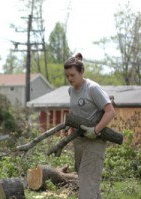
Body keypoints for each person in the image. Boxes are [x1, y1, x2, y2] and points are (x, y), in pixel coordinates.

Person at [63, 53, 116, 199]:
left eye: (73, 75)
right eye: (67, 76)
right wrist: (68, 123)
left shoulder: (93, 88)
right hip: (79, 141)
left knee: (87, 186)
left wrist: (95, 130)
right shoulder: (71, 90)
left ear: (81, 72)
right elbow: (74, 109)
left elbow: (110, 112)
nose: (70, 79)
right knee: (89, 184)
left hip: (95, 141)